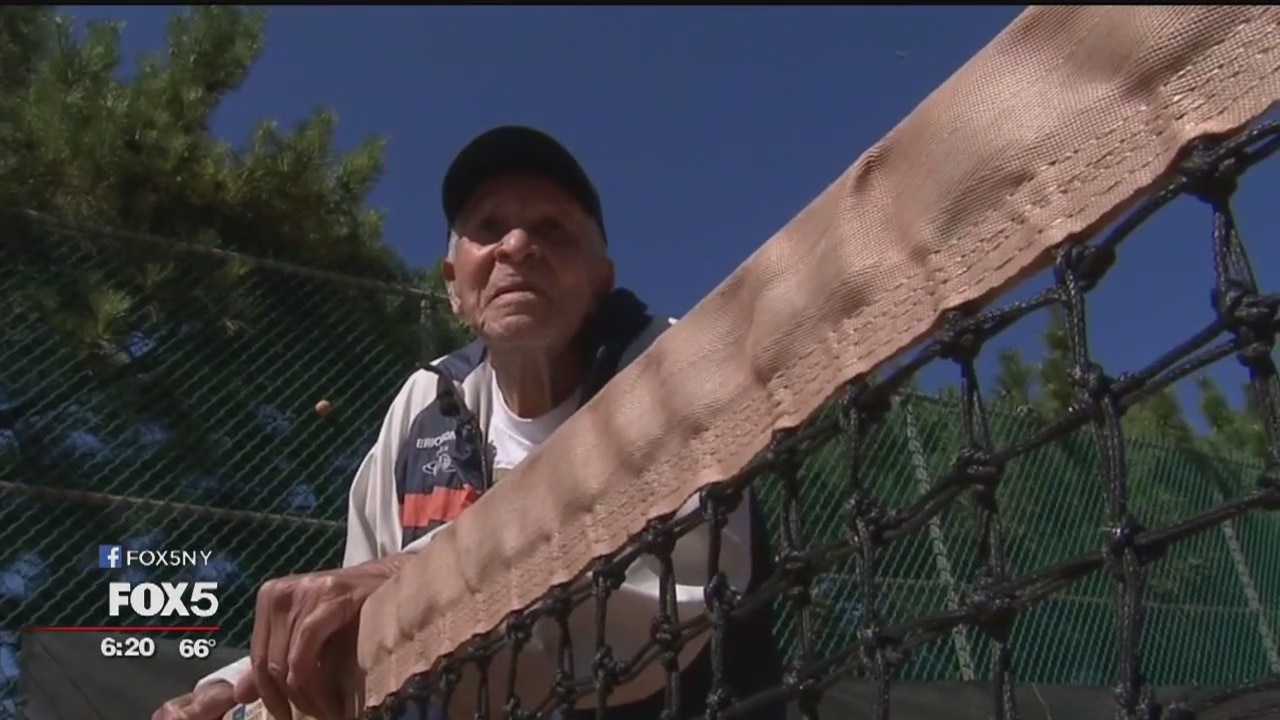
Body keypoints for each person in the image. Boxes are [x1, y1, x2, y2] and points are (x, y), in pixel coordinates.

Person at [152, 126, 784, 720]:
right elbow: (350, 612)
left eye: (554, 228)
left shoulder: (670, 363)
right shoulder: (422, 403)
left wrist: (411, 582)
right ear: (454, 284)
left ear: (601, 278)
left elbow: (661, 598)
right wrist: (239, 689)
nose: (517, 245)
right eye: (488, 227)